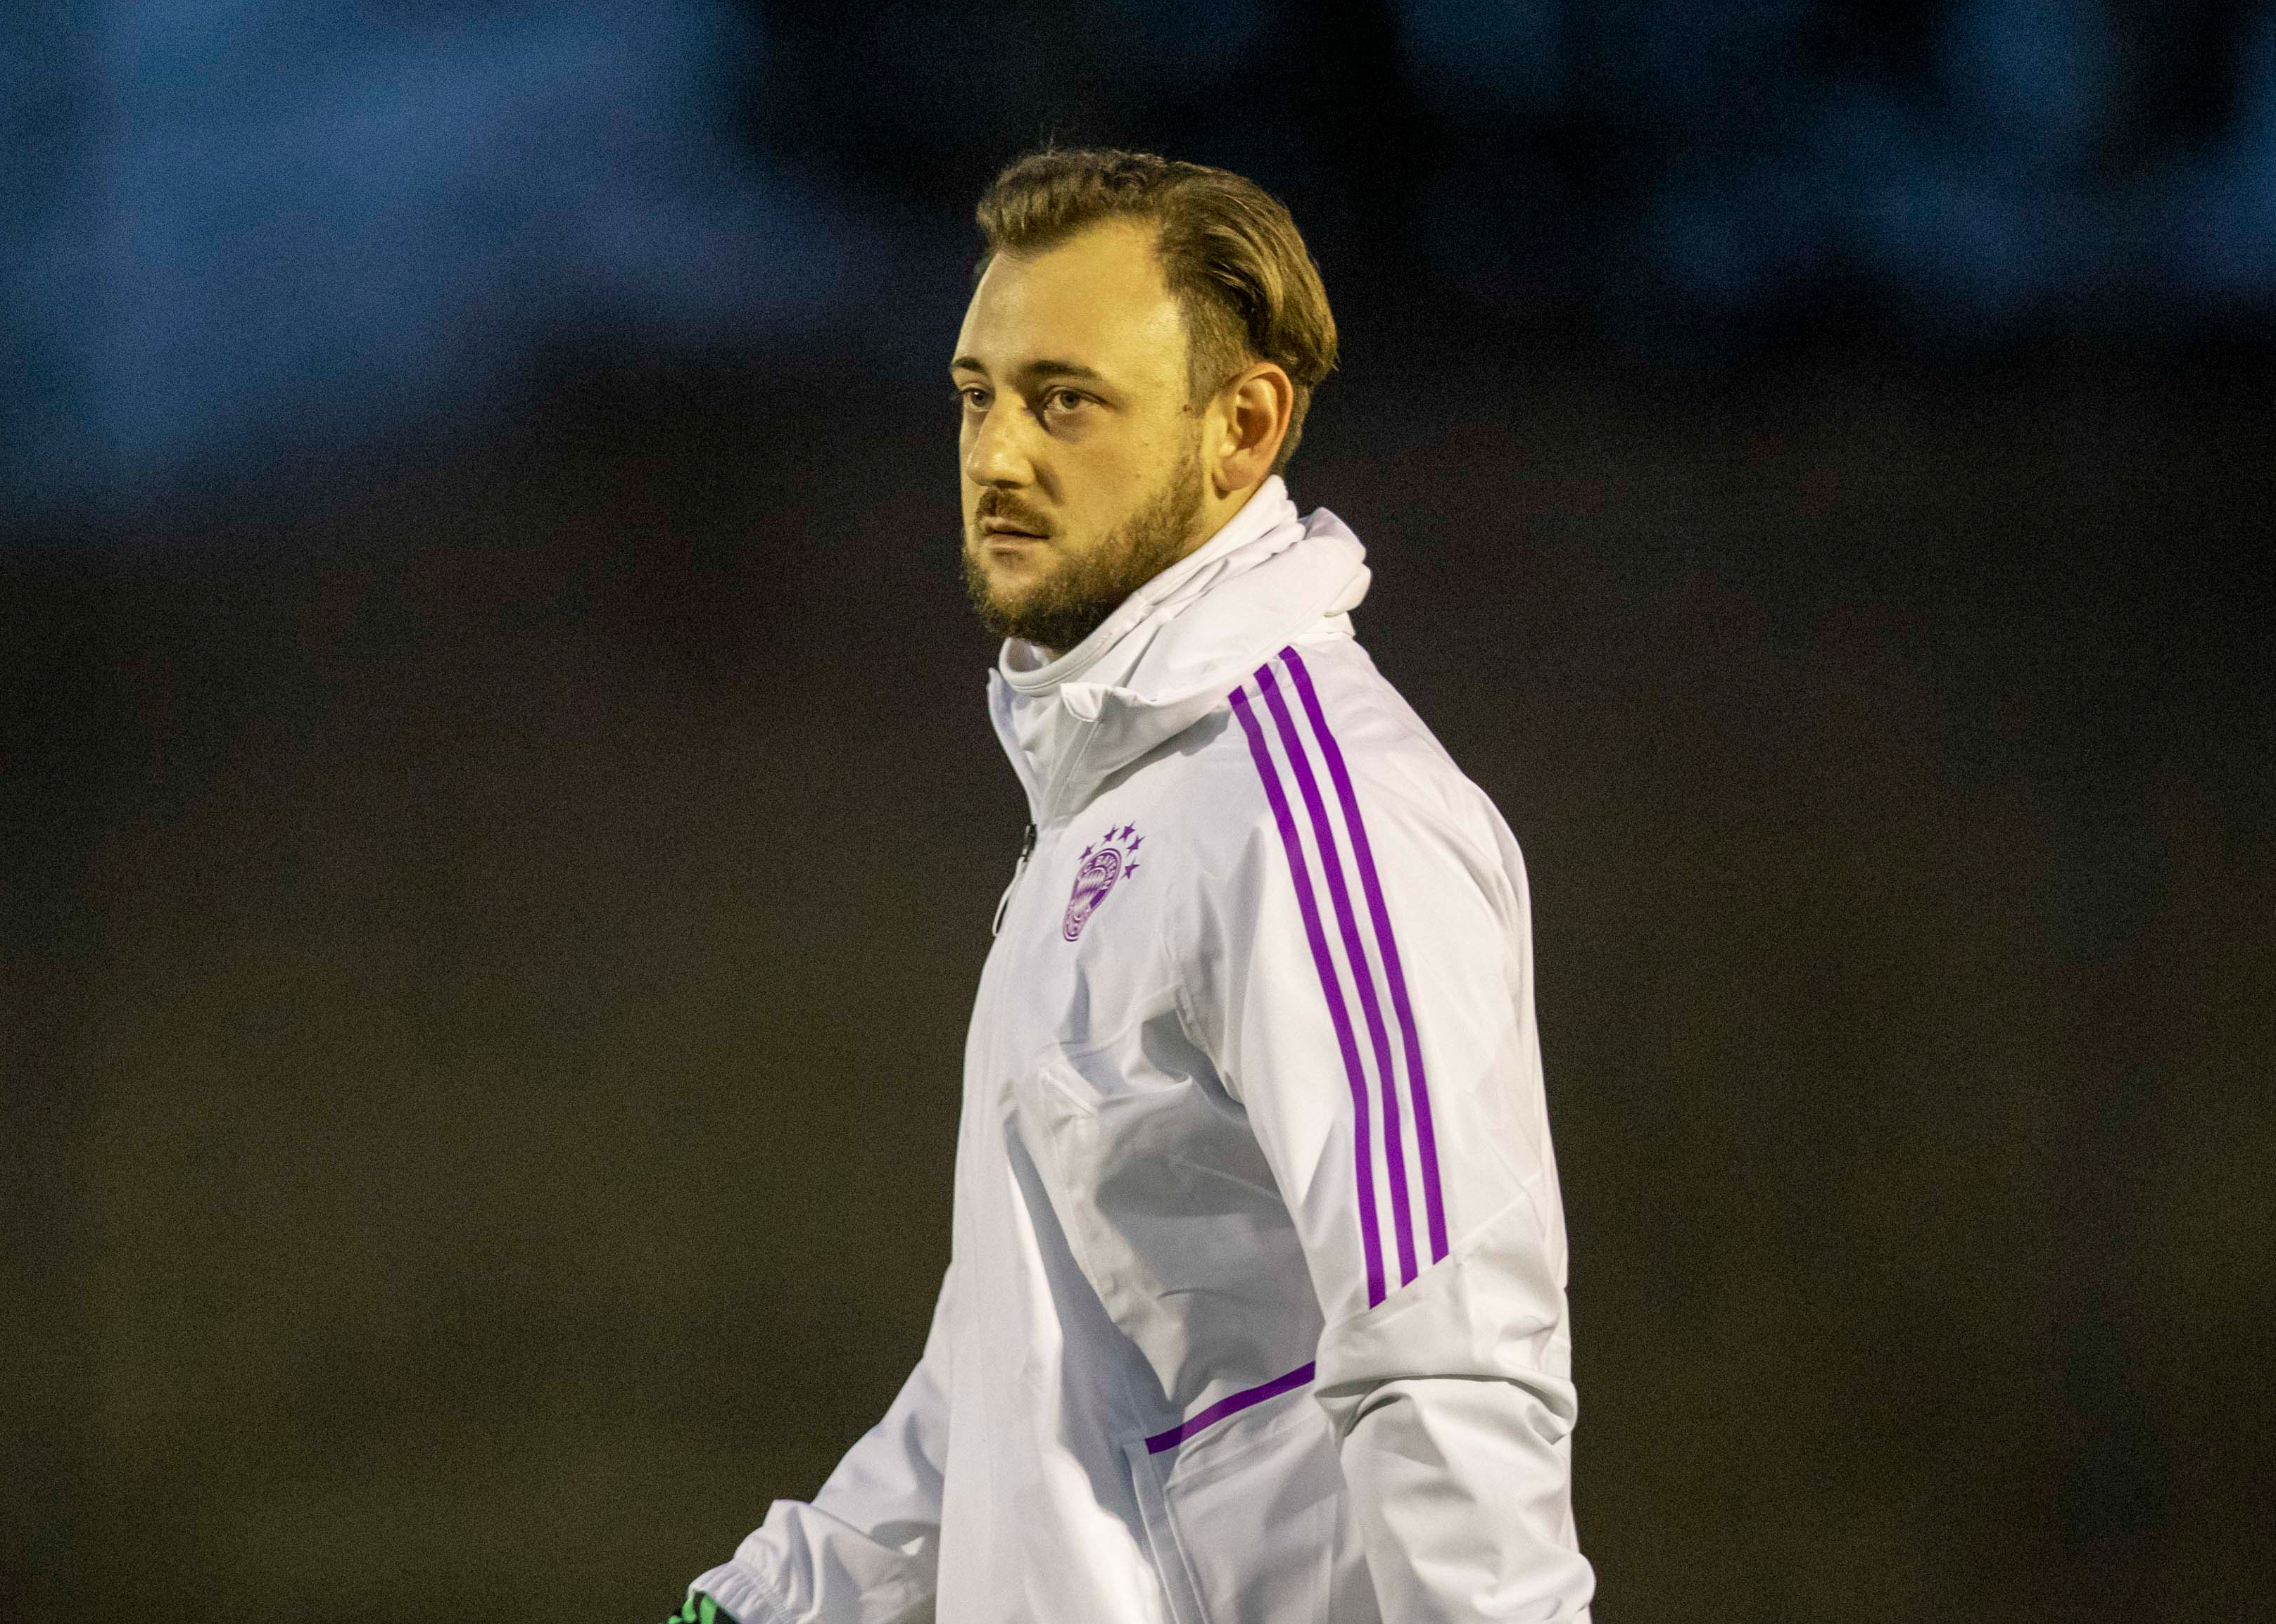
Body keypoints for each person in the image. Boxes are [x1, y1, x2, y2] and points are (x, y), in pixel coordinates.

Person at [670, 148, 1593, 1624]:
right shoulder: (1105, 810)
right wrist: (771, 1602)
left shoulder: (1316, 808)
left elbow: (1451, 1356)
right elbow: (1033, 1370)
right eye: (977, 396)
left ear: (1244, 425)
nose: (997, 454)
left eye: (1065, 399)